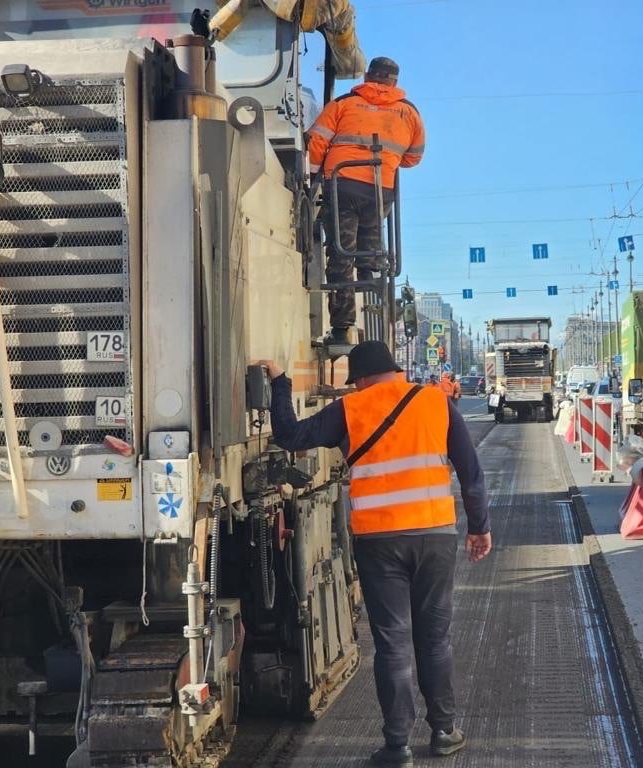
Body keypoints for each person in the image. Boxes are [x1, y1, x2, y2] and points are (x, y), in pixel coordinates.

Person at [258, 342, 491, 766]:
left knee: (394, 643)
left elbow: (290, 435)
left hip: (380, 542)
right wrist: (479, 527)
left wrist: (279, 382)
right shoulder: (435, 401)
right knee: (435, 638)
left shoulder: (352, 407)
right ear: (396, 370)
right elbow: (471, 473)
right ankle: (444, 731)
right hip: (435, 536)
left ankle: (398, 746)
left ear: (361, 378)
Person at [307, 57, 426, 345]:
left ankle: (342, 326)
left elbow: (317, 143)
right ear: (394, 83)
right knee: (372, 253)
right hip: (379, 191)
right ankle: (375, 311)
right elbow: (414, 156)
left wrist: (310, 179)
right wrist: (388, 160)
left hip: (342, 186)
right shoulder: (409, 113)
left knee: (341, 253)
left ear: (367, 76)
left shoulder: (343, 104)